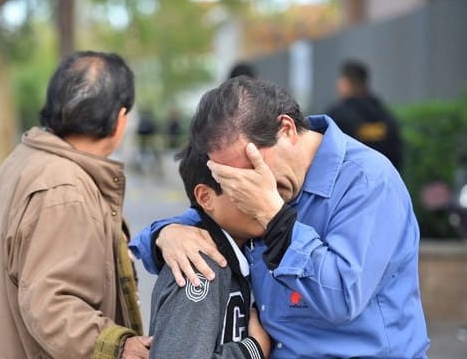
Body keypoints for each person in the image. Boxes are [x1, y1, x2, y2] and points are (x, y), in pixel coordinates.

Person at [129, 76, 430, 358]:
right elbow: (179, 232)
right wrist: (166, 234)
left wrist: (273, 215)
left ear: (285, 129)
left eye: (252, 168)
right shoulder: (252, 189)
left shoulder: (367, 181)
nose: (246, 189)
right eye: (232, 179)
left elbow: (340, 297)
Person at [0, 51, 152, 359]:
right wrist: (118, 345)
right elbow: (50, 305)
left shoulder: (26, 159)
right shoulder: (65, 189)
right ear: (119, 120)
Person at [149, 144, 270, 359]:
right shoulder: (200, 266)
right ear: (205, 197)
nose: (263, 197)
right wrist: (251, 351)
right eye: (244, 186)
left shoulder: (244, 252)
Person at [327, 60, 403, 170]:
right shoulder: (384, 114)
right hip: (383, 176)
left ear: (346, 83)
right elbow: (397, 153)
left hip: (350, 178)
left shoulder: (337, 115)